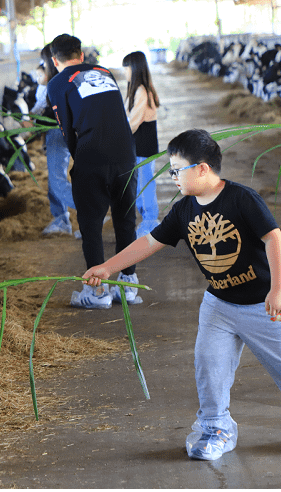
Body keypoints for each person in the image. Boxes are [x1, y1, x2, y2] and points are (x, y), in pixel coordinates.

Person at [82, 128, 281, 461]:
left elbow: (273, 238)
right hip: (218, 305)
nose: (172, 176)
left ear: (202, 168)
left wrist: (277, 288)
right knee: (209, 365)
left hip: (263, 305)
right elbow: (150, 241)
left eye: (177, 169)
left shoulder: (241, 199)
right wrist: (108, 266)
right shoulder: (184, 209)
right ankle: (217, 427)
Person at [46, 33, 140, 308]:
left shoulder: (57, 83)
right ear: (81, 54)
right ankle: (128, 285)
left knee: (91, 224)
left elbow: (67, 128)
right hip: (125, 153)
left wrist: (80, 159)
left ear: (54, 60)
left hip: (92, 154)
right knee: (125, 219)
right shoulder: (104, 72)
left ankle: (97, 293)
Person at [34, 44, 77, 236]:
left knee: (57, 180)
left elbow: (55, 113)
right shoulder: (53, 83)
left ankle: (91, 211)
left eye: (45, 61)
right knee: (54, 180)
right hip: (54, 133)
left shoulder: (56, 83)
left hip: (57, 133)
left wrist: (33, 122)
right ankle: (60, 219)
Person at [122, 51, 161, 238]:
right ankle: (147, 221)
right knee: (140, 185)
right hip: (140, 146)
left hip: (143, 146)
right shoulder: (138, 89)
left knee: (145, 185)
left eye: (127, 68)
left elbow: (133, 122)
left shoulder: (142, 91)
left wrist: (116, 138)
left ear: (135, 68)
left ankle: (151, 223)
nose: (125, 72)